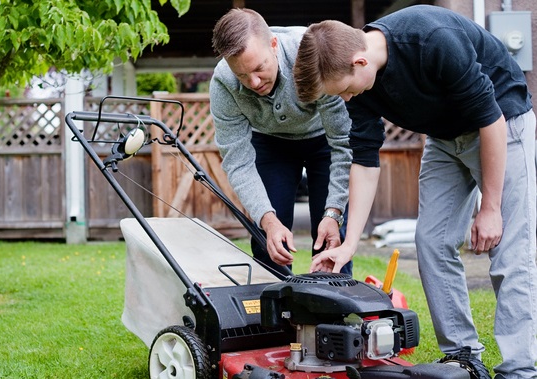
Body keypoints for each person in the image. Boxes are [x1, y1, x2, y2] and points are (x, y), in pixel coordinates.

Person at [294, 5, 537, 379]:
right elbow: (364, 159)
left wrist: (490, 208)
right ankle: (463, 356)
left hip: (503, 126)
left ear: (360, 62)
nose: (343, 99)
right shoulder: (361, 85)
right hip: (444, 139)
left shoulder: (431, 39)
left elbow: (491, 119)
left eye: (342, 90)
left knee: (510, 252)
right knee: (432, 240)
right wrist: (349, 243)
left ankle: (519, 371)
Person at [210, 8, 353, 277]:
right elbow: (238, 162)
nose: (253, 82)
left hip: (324, 141)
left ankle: (336, 312)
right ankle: (274, 316)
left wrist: (333, 212)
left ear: (273, 45)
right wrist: (268, 220)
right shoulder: (222, 83)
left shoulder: (312, 54)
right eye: (242, 75)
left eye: (258, 68)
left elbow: (343, 143)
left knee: (330, 235)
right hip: (271, 143)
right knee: (267, 239)